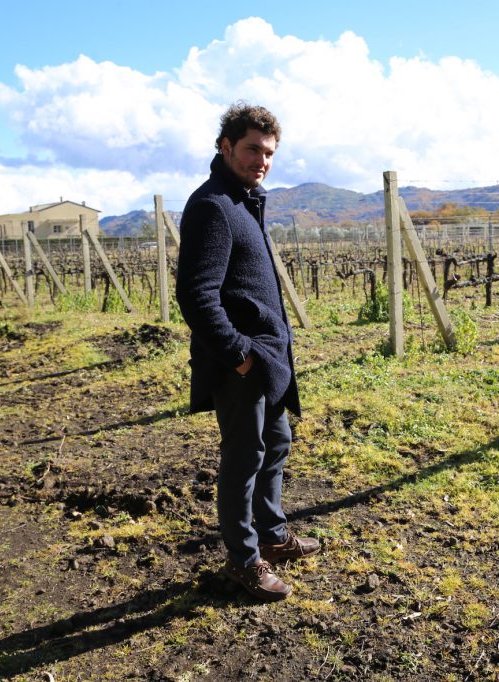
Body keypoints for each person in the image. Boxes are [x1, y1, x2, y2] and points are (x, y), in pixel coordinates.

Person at [176, 101, 318, 602]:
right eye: (252, 149)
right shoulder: (214, 205)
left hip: (267, 359)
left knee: (275, 445)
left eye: (269, 152)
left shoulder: (244, 201)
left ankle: (273, 536)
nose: (262, 160)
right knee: (243, 459)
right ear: (225, 147)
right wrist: (238, 353)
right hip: (242, 362)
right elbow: (196, 294)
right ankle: (243, 559)